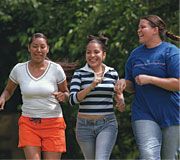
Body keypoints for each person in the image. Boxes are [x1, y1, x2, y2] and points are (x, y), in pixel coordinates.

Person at [115, 15, 180, 160]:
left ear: (155, 30)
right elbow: (132, 85)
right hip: (143, 113)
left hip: (172, 114)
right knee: (148, 156)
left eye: (142, 27)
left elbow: (177, 84)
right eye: (138, 27)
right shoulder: (135, 55)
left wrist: (150, 79)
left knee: (169, 157)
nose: (138, 30)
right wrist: (124, 83)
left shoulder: (171, 52)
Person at [0, 33, 69, 160]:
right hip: (29, 124)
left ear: (47, 49)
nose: (39, 50)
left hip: (53, 123)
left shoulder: (56, 69)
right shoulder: (19, 69)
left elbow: (66, 93)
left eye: (42, 47)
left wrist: (63, 96)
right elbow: (8, 90)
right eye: (35, 46)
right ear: (29, 48)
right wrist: (3, 98)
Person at [69, 34, 125, 160]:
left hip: (107, 124)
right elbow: (72, 100)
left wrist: (121, 101)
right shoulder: (79, 74)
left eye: (96, 52)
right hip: (84, 126)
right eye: (88, 52)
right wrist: (91, 86)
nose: (92, 56)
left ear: (103, 55)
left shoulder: (112, 73)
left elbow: (117, 94)